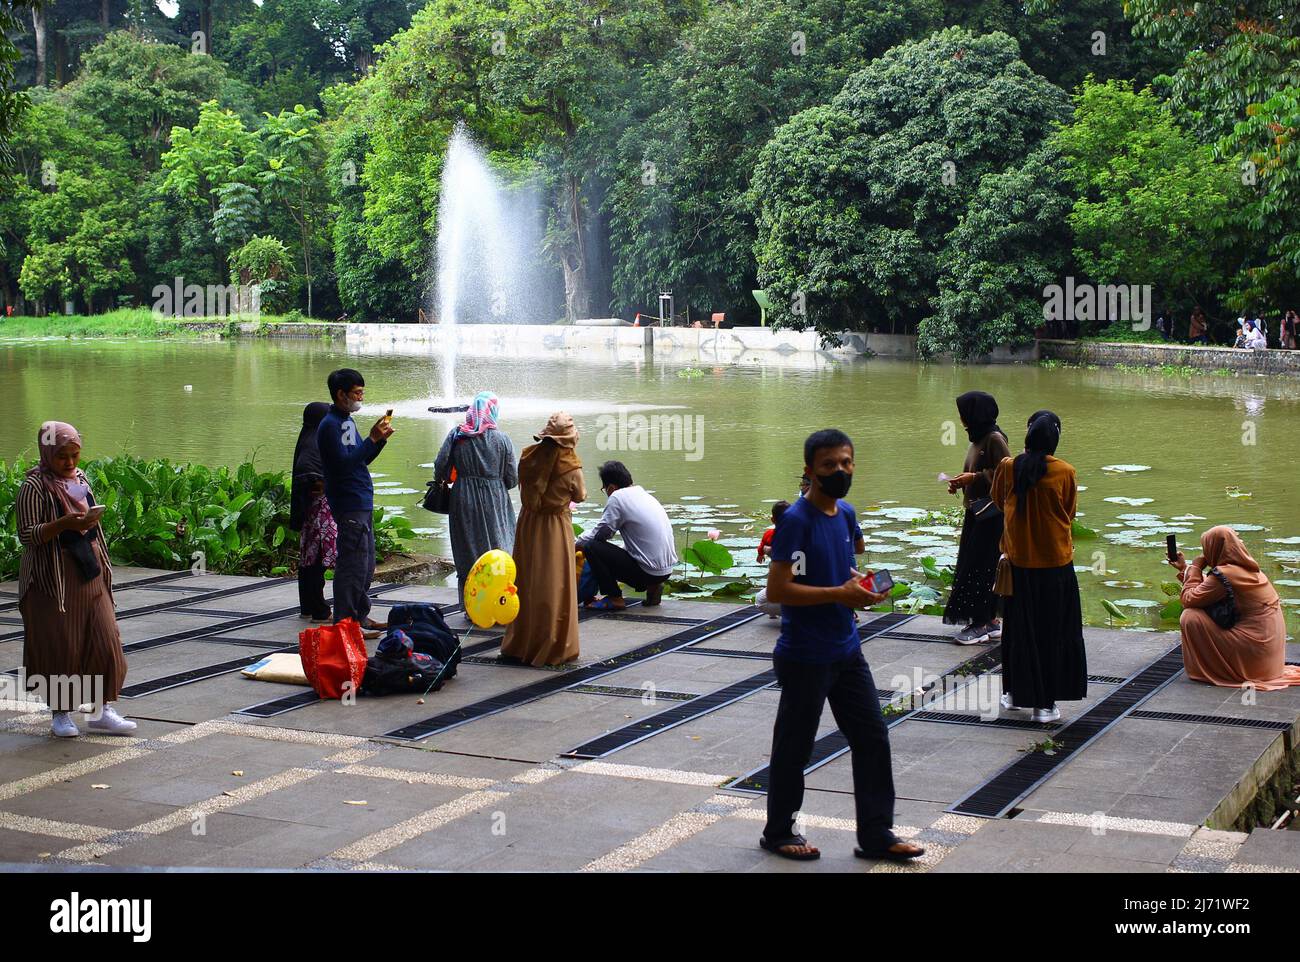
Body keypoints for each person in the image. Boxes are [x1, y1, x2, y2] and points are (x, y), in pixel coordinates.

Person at [759, 428, 924, 863]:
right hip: (804, 654)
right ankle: (778, 831)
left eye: (846, 462)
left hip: (847, 649)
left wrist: (859, 587)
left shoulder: (846, 514)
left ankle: (876, 833)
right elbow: (779, 589)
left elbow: (842, 569)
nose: (840, 471)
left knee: (872, 736)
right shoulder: (794, 520)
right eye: (830, 464)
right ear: (810, 469)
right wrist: (837, 593)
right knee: (795, 747)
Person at [17, 421, 135, 737]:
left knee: (105, 639)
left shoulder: (79, 478)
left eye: (75, 455)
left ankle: (101, 710)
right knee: (60, 645)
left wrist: (87, 521)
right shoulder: (34, 486)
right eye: (62, 457)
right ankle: (60, 714)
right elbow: (27, 535)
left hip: (89, 570)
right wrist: (62, 525)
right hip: (51, 582)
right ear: (47, 453)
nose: (69, 463)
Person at [990, 411, 1086, 723]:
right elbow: (1068, 514)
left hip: (1019, 566)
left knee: (1018, 632)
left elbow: (998, 500)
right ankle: (1045, 706)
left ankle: (1015, 694)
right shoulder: (1066, 472)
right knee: (1053, 633)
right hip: (1056, 566)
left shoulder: (1008, 467)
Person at [500, 412, 586, 666]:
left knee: (526, 580)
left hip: (528, 523)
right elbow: (580, 495)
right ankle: (552, 645)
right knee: (553, 583)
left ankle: (520, 643)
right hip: (555, 526)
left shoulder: (528, 457)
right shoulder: (571, 467)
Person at [1168, 527, 1300, 690]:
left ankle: (1217, 671)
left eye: (1206, 548)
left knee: (1190, 616)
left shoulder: (1225, 574)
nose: (1205, 554)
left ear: (1214, 548)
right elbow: (1208, 591)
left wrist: (1195, 567)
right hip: (1268, 658)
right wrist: (1184, 569)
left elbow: (1189, 599)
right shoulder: (1247, 569)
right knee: (1195, 612)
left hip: (1253, 658)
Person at [317, 369, 393, 633]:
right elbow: (343, 466)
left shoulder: (347, 421)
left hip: (361, 499)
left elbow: (360, 458)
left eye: (362, 393)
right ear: (341, 394)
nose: (360, 398)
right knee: (351, 564)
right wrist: (371, 438)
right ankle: (345, 622)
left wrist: (378, 441)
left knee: (366, 563)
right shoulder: (329, 425)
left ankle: (359, 615)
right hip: (348, 501)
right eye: (356, 393)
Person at [433, 391, 518, 602]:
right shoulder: (502, 439)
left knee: (467, 550)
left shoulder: (457, 436)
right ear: (493, 411)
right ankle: (500, 600)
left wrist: (455, 477)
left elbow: (441, 467)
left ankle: (472, 605)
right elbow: (512, 478)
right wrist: (496, 482)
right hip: (495, 498)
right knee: (500, 545)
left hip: (463, 498)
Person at [943, 391, 1011, 644]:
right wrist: (961, 483)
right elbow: (976, 471)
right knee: (973, 566)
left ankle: (982, 623)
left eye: (963, 413)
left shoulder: (994, 438)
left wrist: (975, 479)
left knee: (981, 568)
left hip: (991, 517)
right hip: (976, 513)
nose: (961, 418)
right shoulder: (977, 439)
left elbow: (1007, 474)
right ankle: (989, 621)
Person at [576, 461, 678, 610]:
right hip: (666, 571)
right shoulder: (645, 495)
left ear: (610, 488)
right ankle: (653, 586)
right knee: (603, 548)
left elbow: (601, 534)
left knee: (592, 546)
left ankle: (615, 598)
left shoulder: (617, 497)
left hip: (646, 572)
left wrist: (576, 543)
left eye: (604, 489)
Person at [290, 402, 335, 622]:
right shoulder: (314, 443)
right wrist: (324, 484)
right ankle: (319, 608)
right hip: (319, 511)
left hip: (312, 511)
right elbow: (308, 472)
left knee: (310, 560)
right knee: (316, 559)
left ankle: (308, 606)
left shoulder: (308, 438)